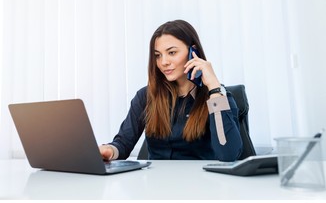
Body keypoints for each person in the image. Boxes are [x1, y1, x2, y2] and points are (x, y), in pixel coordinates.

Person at [99, 20, 243, 161]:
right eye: (158, 55)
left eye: (172, 52)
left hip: (200, 182)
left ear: (194, 52)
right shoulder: (146, 96)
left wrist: (214, 87)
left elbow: (228, 154)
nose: (163, 62)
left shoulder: (217, 97)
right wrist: (109, 150)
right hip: (156, 182)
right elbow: (123, 144)